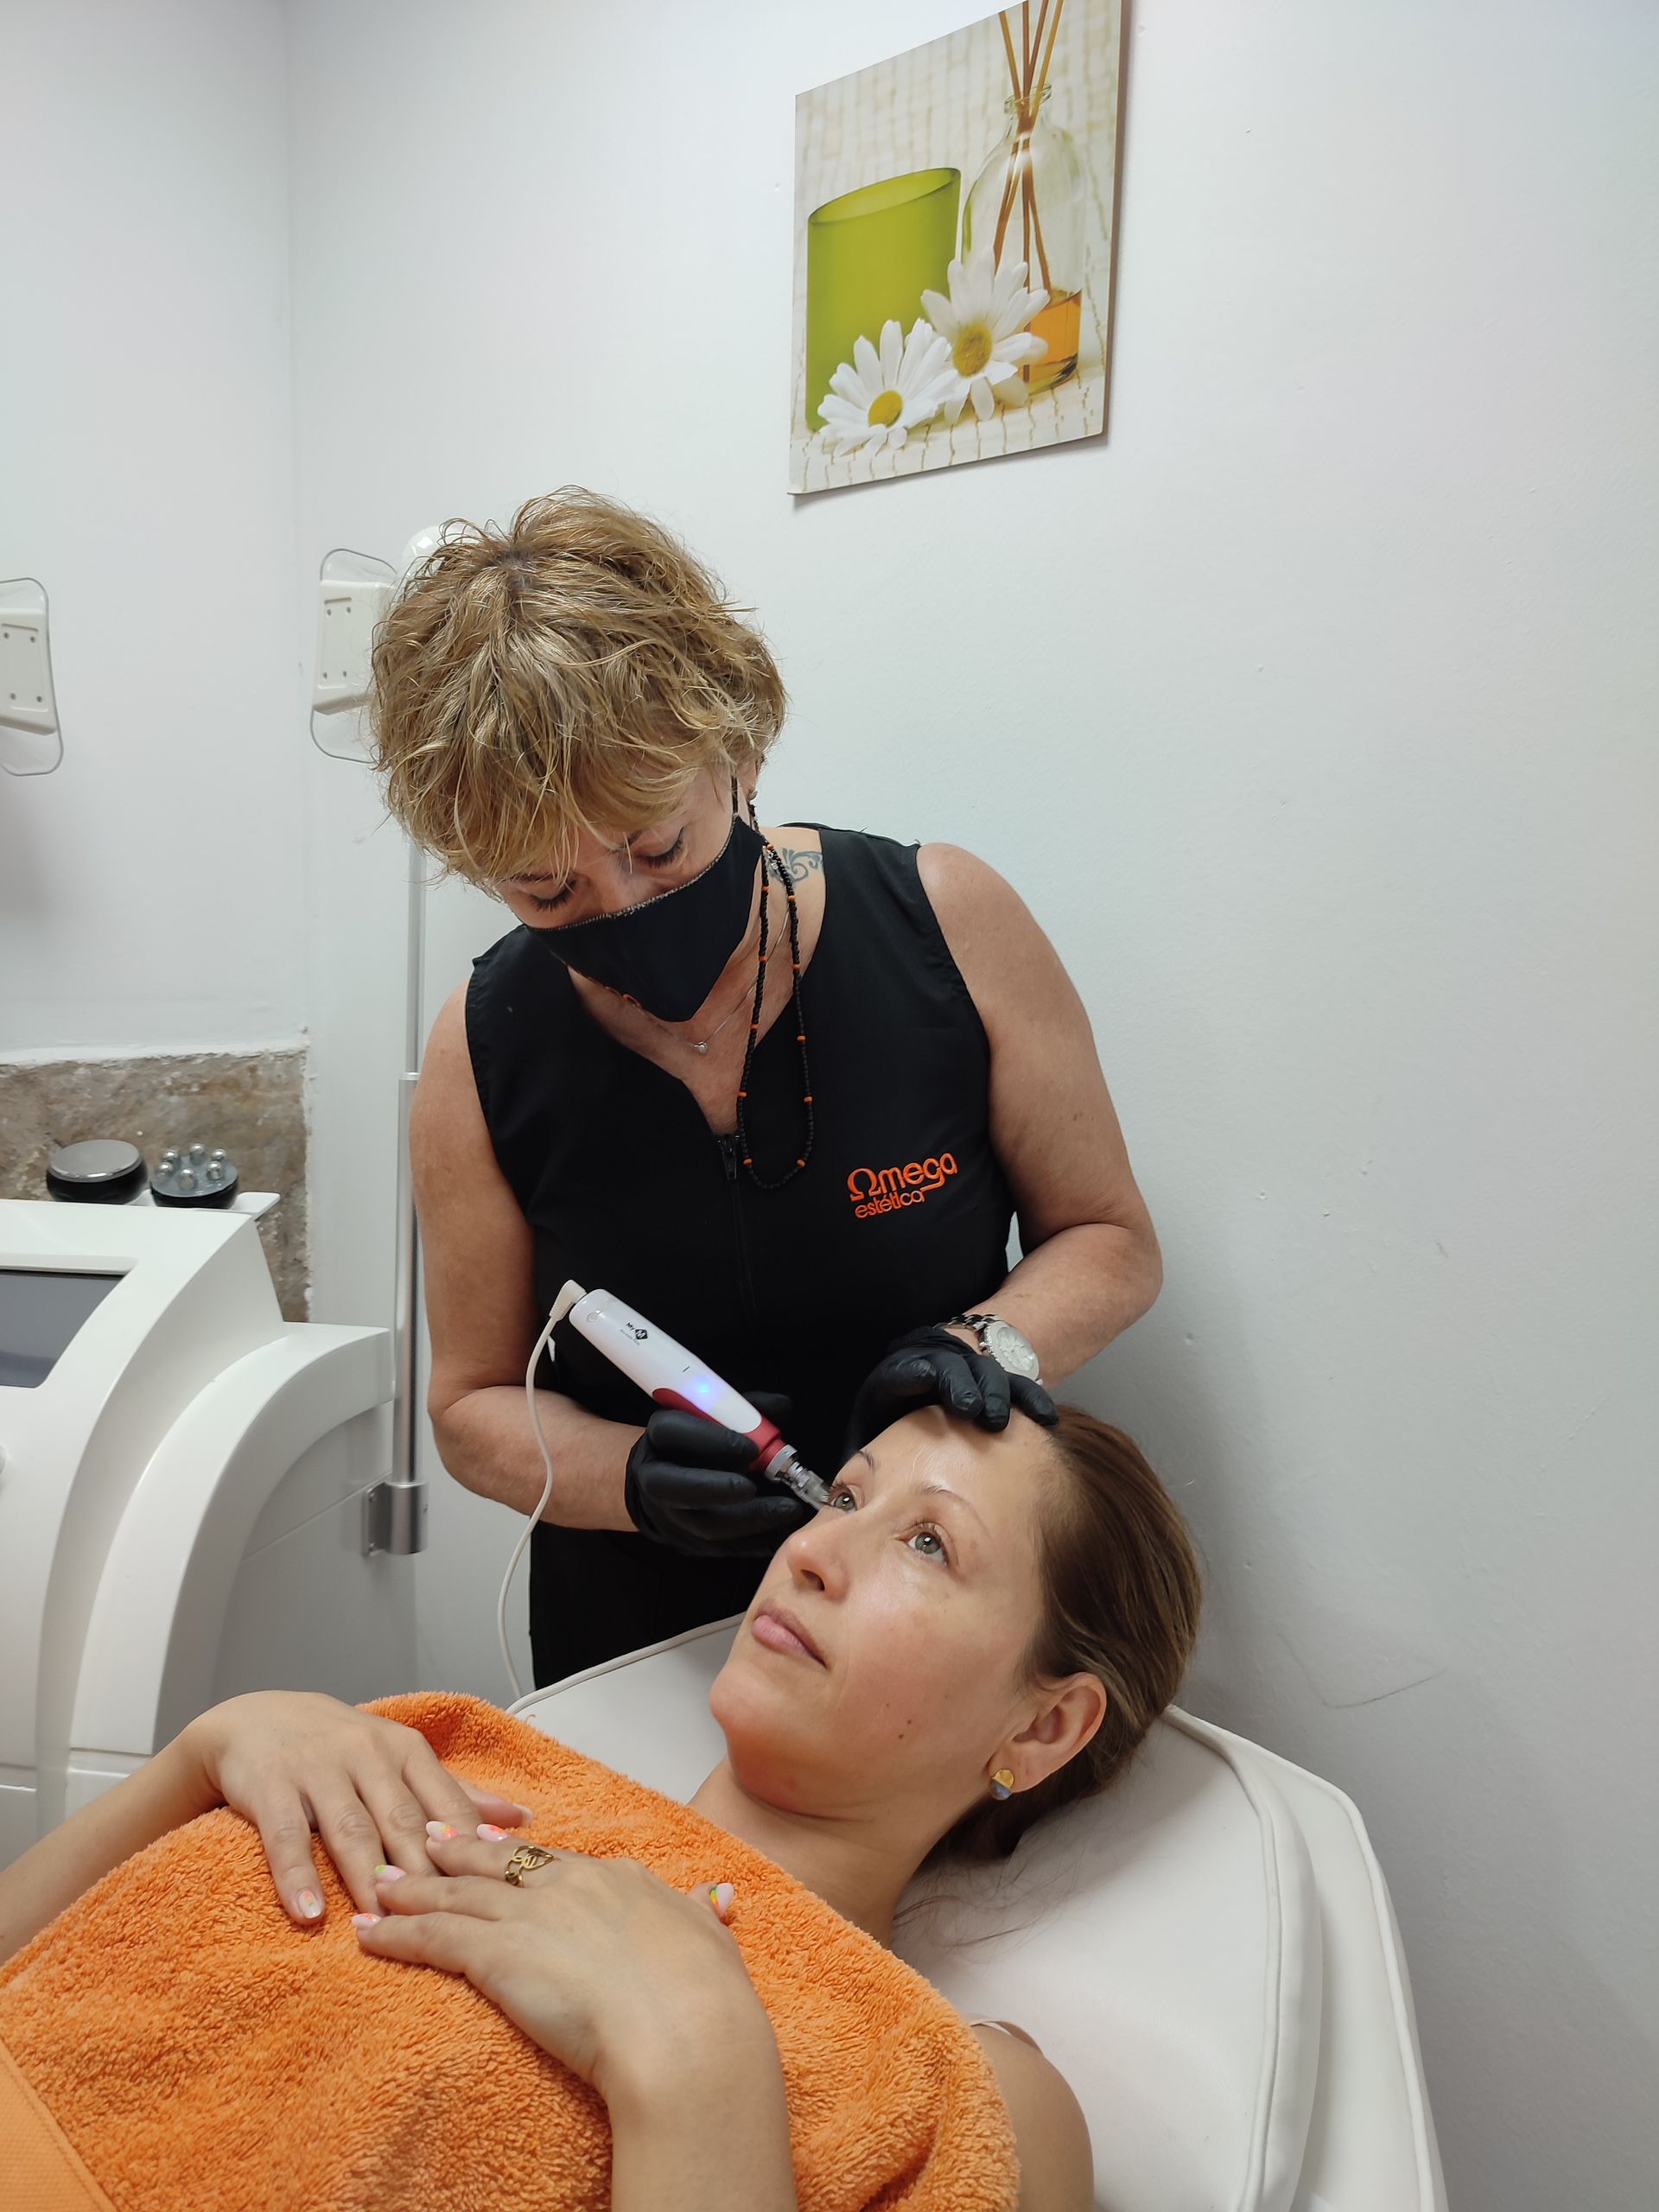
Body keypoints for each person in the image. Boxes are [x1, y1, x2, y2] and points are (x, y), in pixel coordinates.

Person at [0, 1402, 1200, 2212]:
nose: (813, 1553)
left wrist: (688, 2052)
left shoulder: (964, 2093)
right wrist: (206, 1754)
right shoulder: (466, 1758)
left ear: (1043, 1727)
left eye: (930, 1545)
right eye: (843, 1499)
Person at [382, 488, 1164, 1681]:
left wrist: (988, 1343)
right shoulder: (480, 1052)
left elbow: (1110, 1241)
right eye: (549, 893)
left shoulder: (943, 925)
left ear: (738, 751)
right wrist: (630, 1481)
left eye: (658, 848)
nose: (626, 911)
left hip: (928, 1624)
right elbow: (473, 1406)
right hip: (635, 1642)